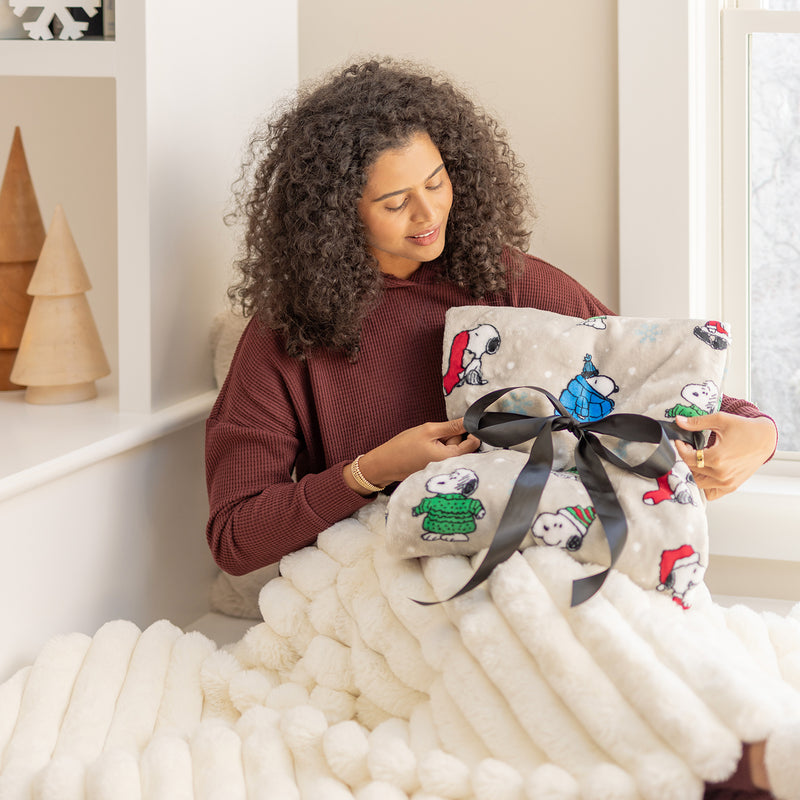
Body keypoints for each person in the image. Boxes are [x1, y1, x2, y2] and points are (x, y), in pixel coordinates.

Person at [205, 58, 778, 797]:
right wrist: (369, 472)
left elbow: (652, 382)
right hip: (384, 563)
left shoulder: (505, 281)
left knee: (571, 585)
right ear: (334, 213)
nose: (428, 215)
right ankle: (723, 767)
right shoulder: (283, 339)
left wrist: (757, 433)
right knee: (524, 594)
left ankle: (728, 749)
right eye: (395, 201)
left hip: (535, 537)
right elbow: (236, 535)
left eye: (437, 181)